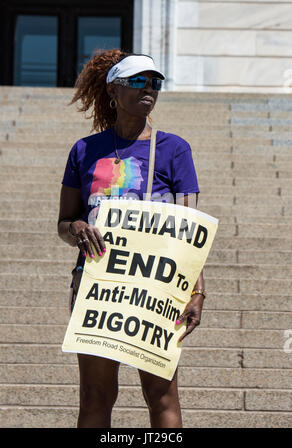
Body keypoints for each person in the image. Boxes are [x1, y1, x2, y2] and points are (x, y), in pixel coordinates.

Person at [57, 49, 206, 428]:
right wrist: (76, 230)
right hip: (97, 285)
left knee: (161, 396)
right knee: (95, 396)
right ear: (113, 91)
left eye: (154, 82)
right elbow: (63, 221)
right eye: (138, 81)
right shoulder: (85, 150)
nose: (149, 89)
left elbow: (190, 231)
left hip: (154, 287)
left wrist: (197, 291)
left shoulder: (175, 150)